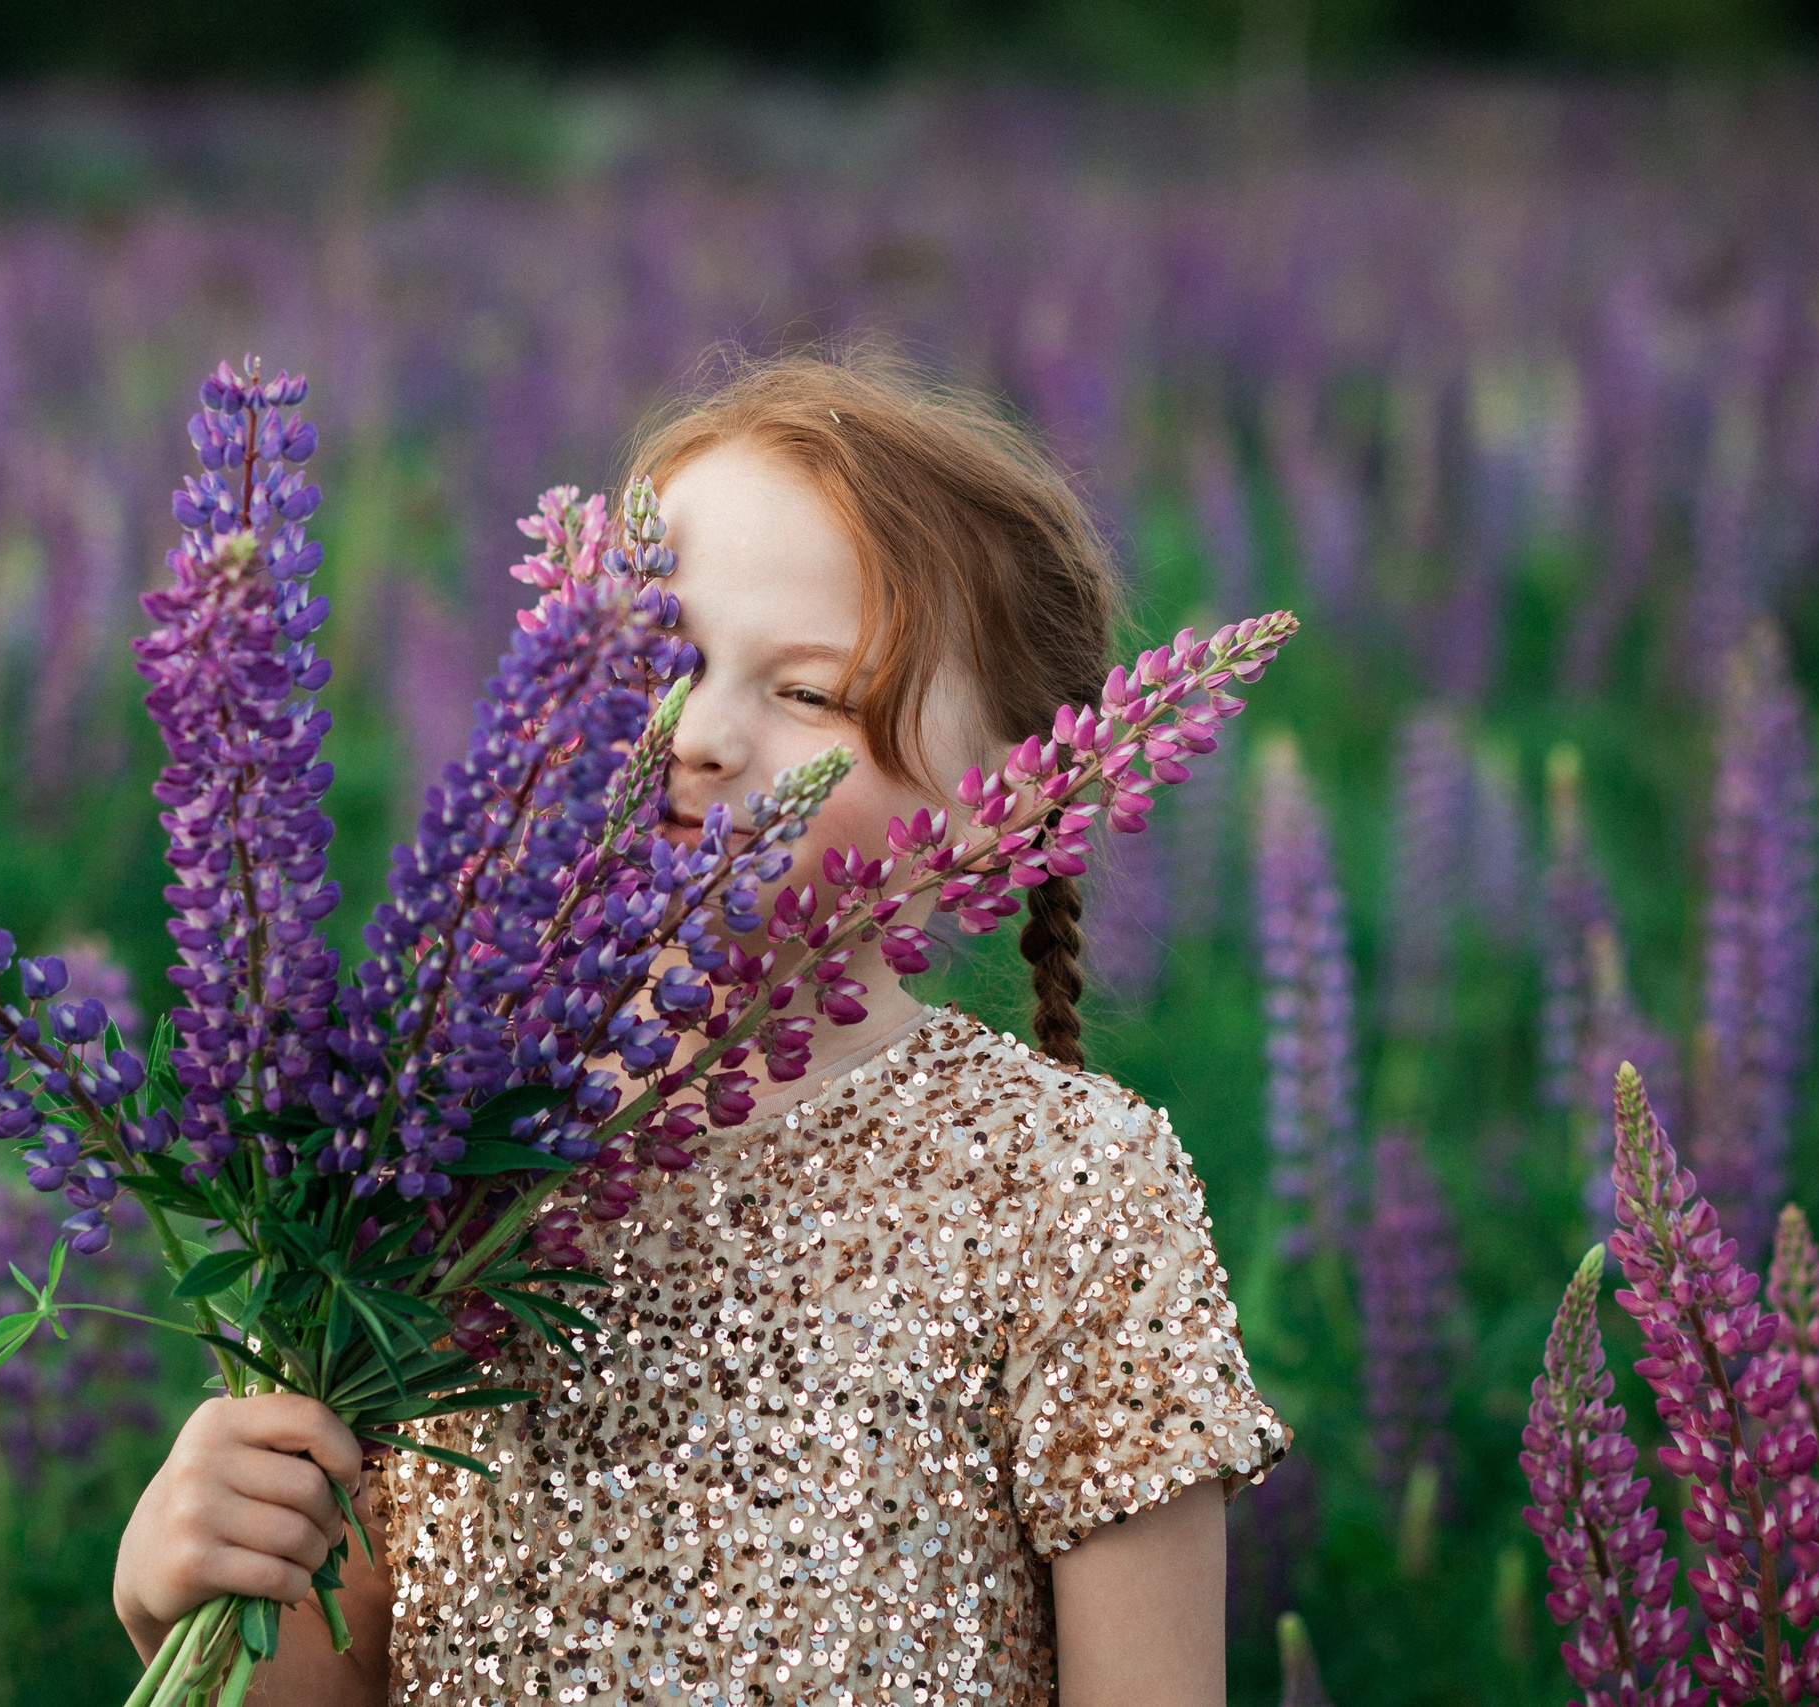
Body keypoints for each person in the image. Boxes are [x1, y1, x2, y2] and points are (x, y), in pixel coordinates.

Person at [113, 346, 1291, 1707]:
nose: (696, 729)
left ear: (1012, 806)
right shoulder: (429, 1145)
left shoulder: (1070, 1183)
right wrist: (183, 1591)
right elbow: (334, 1685)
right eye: (656, 654)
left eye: (809, 693)